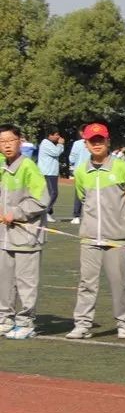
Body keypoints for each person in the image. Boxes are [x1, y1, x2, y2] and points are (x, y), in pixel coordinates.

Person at [66, 123, 125, 340]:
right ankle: (83, 324)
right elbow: (83, 198)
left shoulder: (123, 168)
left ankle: (124, 323)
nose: (96, 144)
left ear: (108, 141)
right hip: (89, 237)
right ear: (85, 144)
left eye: (100, 140)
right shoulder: (81, 171)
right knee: (86, 283)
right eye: (91, 140)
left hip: (117, 237)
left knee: (120, 282)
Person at [0, 124, 47, 339]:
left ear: (20, 141)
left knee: (26, 282)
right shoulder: (2, 166)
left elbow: (41, 200)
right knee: (4, 281)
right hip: (4, 237)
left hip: (26, 235)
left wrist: (15, 212)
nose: (6, 145)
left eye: (10, 140)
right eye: (2, 141)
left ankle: (26, 322)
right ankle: (5, 320)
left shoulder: (29, 167)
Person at [36, 129, 64, 222]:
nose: (58, 137)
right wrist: (60, 144)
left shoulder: (50, 144)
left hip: (51, 172)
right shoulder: (46, 143)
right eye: (56, 134)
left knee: (49, 194)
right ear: (50, 135)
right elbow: (56, 152)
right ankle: (45, 212)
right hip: (48, 172)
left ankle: (48, 213)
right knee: (53, 193)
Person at [67, 128, 89, 224]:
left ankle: (76, 215)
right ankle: (88, 215)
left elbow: (71, 158)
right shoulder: (91, 142)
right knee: (91, 193)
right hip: (90, 170)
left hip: (79, 172)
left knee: (79, 194)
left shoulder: (77, 144)